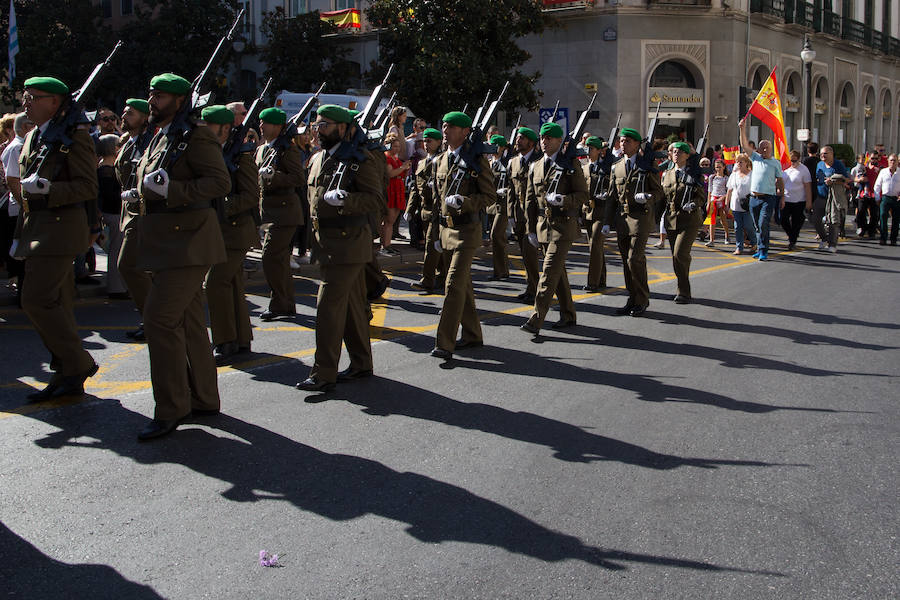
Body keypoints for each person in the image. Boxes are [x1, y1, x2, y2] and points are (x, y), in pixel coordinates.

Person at [133, 72, 230, 440]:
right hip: (168, 242)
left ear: (179, 100)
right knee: (188, 323)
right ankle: (203, 397)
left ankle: (171, 408)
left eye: (159, 96)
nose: (152, 101)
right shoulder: (164, 135)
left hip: (189, 243)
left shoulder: (196, 135)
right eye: (151, 94)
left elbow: (220, 182)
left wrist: (171, 190)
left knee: (158, 320)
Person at [15, 76, 99, 400]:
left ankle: (78, 363)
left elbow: (87, 186)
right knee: (57, 305)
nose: (25, 103)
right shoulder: (34, 135)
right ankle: (67, 373)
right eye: (25, 97)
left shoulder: (75, 136)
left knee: (35, 300)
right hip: (38, 229)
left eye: (32, 97)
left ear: (54, 102)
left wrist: (49, 189)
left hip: (60, 231)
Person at [296, 104, 383, 392]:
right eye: (316, 125)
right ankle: (361, 362)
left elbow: (375, 200)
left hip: (349, 244)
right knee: (353, 306)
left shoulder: (360, 159)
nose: (318, 131)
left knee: (328, 308)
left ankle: (323, 373)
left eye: (325, 125)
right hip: (326, 243)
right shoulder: (319, 158)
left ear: (343, 128)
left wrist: (346, 200)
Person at [430, 111, 496, 359]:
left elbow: (489, 196)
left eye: (452, 127)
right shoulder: (440, 160)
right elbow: (436, 200)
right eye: (444, 126)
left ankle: (444, 343)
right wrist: (436, 233)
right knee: (463, 286)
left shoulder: (477, 160)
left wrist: (465, 202)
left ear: (465, 132)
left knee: (453, 286)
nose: (445, 131)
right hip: (446, 230)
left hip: (467, 231)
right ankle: (472, 334)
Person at [202, 105, 260, 364]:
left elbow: (250, 196)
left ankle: (224, 341)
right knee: (232, 283)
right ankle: (241, 339)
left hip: (236, 231)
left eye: (209, 126)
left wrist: (219, 206)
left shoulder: (241, 156)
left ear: (225, 129)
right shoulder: (211, 153)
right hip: (218, 232)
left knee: (215, 283)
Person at [519, 121, 587, 334]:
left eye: (549, 138)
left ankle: (536, 319)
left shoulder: (570, 164)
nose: (544, 141)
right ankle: (568, 314)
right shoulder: (536, 166)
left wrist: (564, 200)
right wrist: (530, 229)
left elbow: (583, 195)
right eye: (542, 138)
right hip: (542, 226)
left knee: (548, 273)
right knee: (558, 273)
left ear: (559, 141)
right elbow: (529, 200)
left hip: (563, 226)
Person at [605, 127, 663, 316]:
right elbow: (612, 197)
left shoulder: (647, 164)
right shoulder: (616, 166)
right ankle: (632, 298)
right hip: (623, 219)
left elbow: (659, 191)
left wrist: (648, 196)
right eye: (622, 140)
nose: (623, 144)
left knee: (634, 258)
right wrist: (606, 221)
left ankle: (642, 299)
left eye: (628, 141)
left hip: (641, 218)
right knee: (626, 261)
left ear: (637, 144)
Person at [256, 107, 305, 321]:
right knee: (280, 260)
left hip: (285, 213)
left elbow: (298, 178)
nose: (261, 126)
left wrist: (274, 176)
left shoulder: (287, 150)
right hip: (270, 213)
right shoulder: (263, 149)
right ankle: (285, 304)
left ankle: (279, 303)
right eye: (260, 122)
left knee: (270, 257)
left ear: (278, 126)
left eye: (265, 122)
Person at [115, 98, 154, 341]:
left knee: (127, 265)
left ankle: (153, 320)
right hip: (130, 214)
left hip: (142, 215)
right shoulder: (131, 142)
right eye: (124, 111)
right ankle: (152, 320)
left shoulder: (149, 142)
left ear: (144, 117)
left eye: (130, 113)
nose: (124, 116)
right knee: (137, 268)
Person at [660, 141, 704, 303]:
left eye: (680, 152)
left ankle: (684, 291)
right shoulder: (667, 174)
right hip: (671, 219)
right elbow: (662, 197)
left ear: (686, 155)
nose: (676, 154)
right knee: (675, 257)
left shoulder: (695, 174)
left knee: (680, 254)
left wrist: (693, 204)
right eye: (674, 152)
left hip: (689, 219)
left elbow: (701, 197)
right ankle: (682, 287)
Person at [407, 127, 447, 292]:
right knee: (436, 248)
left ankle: (427, 280)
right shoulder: (422, 162)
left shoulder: (443, 160)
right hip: (424, 211)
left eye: (429, 141)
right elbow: (415, 189)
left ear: (438, 142)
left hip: (437, 211)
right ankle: (443, 276)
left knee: (431, 246)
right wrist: (410, 209)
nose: (426, 143)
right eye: (424, 141)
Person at [739, 118, 783, 261]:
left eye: (766, 148)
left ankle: (764, 250)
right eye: (762, 147)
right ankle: (759, 248)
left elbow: (780, 180)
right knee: (757, 226)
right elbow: (744, 145)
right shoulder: (755, 158)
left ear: (771, 149)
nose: (764, 150)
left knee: (763, 223)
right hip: (754, 198)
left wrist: (782, 196)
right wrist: (742, 128)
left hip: (768, 198)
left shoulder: (775, 163)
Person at [506, 126, 542, 304]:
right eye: (517, 138)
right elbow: (510, 190)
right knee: (525, 255)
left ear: (531, 143)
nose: (518, 141)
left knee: (530, 254)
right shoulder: (513, 162)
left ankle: (536, 290)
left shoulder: (539, 161)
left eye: (522, 138)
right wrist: (510, 213)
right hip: (519, 215)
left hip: (533, 216)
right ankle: (530, 287)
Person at [1, 112, 34, 302]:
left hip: (24, 207)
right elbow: (12, 180)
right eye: (31, 124)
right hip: (20, 208)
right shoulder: (17, 147)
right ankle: (24, 297)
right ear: (24, 127)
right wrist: (25, 204)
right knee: (22, 257)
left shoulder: (25, 145)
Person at [95, 133, 128, 299]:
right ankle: (116, 288)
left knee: (117, 251)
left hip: (110, 213)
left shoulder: (102, 169)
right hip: (113, 214)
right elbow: (111, 196)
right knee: (116, 252)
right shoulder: (107, 171)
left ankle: (119, 286)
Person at [581, 136, 609, 292]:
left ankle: (593, 282)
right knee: (596, 247)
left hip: (601, 211)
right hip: (587, 211)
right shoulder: (584, 168)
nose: (588, 151)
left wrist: (606, 194)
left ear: (599, 151)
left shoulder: (606, 167)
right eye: (587, 148)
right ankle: (601, 278)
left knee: (595, 246)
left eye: (591, 148)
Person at [814, 146, 849, 253]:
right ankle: (824, 238)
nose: (822, 155)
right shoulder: (820, 164)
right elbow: (817, 177)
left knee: (833, 220)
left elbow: (846, 180)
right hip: (821, 195)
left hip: (834, 197)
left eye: (825, 153)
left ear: (831, 154)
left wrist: (833, 181)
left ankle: (832, 244)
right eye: (821, 154)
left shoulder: (838, 165)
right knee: (815, 218)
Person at [380, 132, 410, 256]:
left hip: (398, 188)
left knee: (391, 220)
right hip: (390, 189)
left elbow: (400, 174)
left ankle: (387, 244)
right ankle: (385, 246)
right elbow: (390, 174)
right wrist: (403, 168)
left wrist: (405, 169)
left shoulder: (396, 159)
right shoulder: (386, 158)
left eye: (398, 146)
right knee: (389, 220)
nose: (397, 149)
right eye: (394, 146)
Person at [488, 134, 510, 280]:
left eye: (496, 146)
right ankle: (501, 270)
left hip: (503, 204)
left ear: (502, 148)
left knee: (495, 235)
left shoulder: (507, 163)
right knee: (498, 237)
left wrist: (506, 190)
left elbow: (514, 183)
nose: (493, 149)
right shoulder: (489, 163)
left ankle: (500, 271)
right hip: (491, 204)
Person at [724, 153, 756, 255]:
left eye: (741, 162)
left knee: (749, 226)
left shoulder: (752, 174)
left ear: (746, 163)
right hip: (736, 205)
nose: (738, 164)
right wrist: (727, 204)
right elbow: (729, 190)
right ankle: (739, 247)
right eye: (737, 162)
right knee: (737, 227)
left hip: (747, 205)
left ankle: (754, 243)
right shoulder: (734, 175)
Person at [780, 150, 812, 250]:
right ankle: (791, 235)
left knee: (796, 223)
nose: (793, 163)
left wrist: (809, 202)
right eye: (791, 160)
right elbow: (781, 183)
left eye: (795, 160)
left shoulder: (803, 170)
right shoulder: (786, 169)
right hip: (787, 199)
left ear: (799, 159)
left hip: (799, 200)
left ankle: (792, 242)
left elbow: (807, 186)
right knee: (783, 219)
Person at [872, 153, 900, 246]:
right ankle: (883, 238)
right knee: (883, 216)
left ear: (897, 162)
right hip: (885, 197)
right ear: (888, 161)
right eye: (891, 160)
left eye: (894, 160)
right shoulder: (883, 172)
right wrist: (877, 198)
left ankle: (893, 239)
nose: (892, 162)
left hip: (896, 198)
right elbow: (877, 185)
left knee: (896, 219)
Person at [705, 158, 730, 246]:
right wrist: (708, 202)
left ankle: (727, 235)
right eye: (716, 167)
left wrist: (723, 199)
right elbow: (709, 191)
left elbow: (728, 191)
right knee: (712, 219)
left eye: (719, 167)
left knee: (723, 218)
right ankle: (711, 240)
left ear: (724, 167)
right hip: (713, 198)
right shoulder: (712, 177)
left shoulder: (726, 178)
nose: (718, 169)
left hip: (722, 198)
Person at [853, 155, 879, 238]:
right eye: (872, 158)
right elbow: (854, 178)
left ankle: (871, 231)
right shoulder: (864, 168)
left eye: (876, 158)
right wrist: (859, 180)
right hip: (863, 193)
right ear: (869, 159)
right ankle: (863, 228)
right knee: (860, 212)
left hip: (874, 194)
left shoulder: (879, 169)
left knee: (874, 214)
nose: (874, 160)